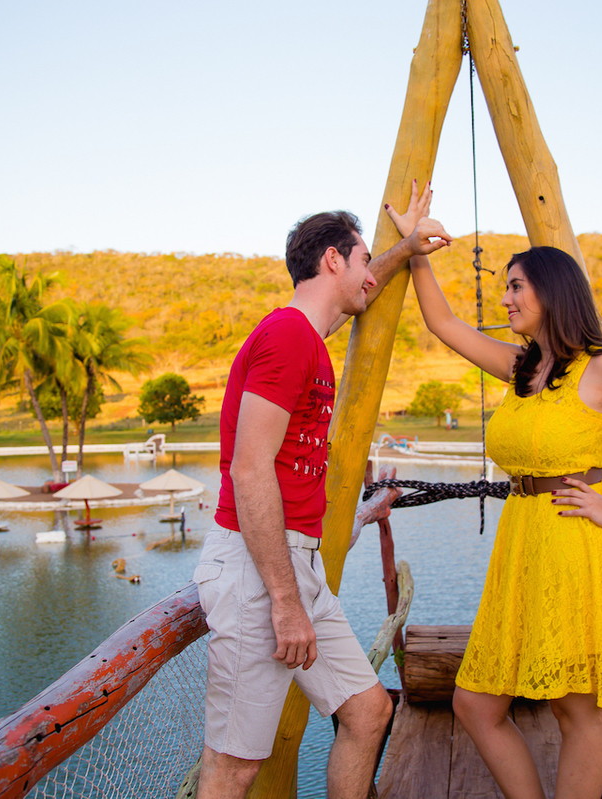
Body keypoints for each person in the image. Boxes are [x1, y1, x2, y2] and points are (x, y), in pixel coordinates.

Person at [386, 184, 602, 798]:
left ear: (551, 293)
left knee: (577, 712)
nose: (504, 298)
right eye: (505, 286)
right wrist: (415, 247)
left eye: (515, 287)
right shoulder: (522, 368)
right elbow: (443, 323)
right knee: (476, 703)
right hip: (523, 547)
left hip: (580, 549)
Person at [194, 199, 452, 799]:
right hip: (259, 572)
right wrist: (285, 603)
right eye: (363, 259)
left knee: (366, 712)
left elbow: (360, 291)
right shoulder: (286, 337)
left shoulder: (308, 336)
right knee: (235, 767)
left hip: (296, 568)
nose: (370, 275)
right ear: (332, 259)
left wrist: (405, 251)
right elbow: (250, 470)